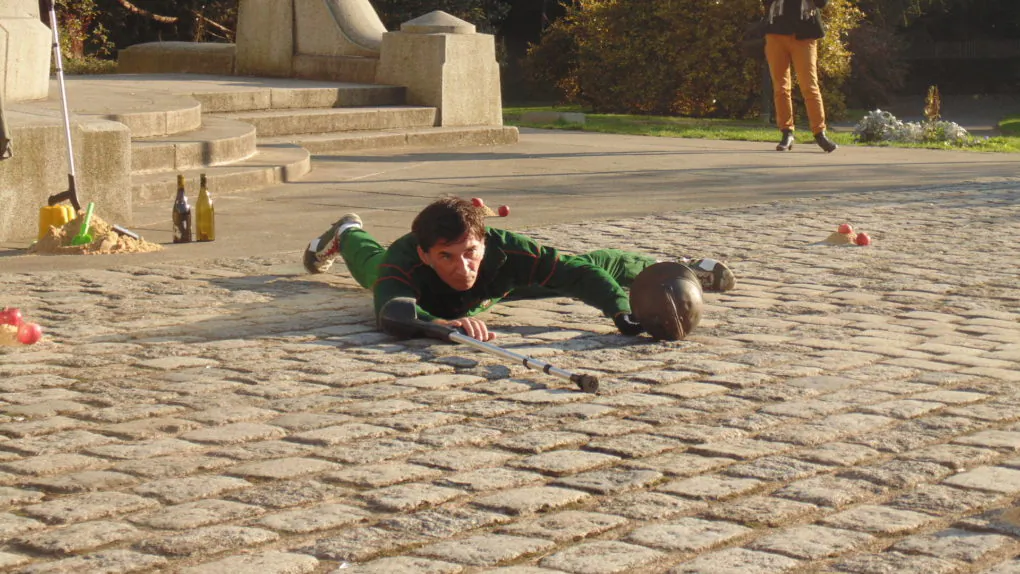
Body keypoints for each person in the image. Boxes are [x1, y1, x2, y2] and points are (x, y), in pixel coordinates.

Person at [302, 197, 736, 341]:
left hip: (501, 289)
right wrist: (444, 325)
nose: (462, 266)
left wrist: (620, 311)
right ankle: (346, 231)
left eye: (470, 252)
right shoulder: (403, 261)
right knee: (367, 261)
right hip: (428, 298)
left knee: (591, 264)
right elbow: (394, 313)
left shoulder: (508, 251)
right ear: (426, 255)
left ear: (484, 242)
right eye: (447, 257)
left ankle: (675, 267)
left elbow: (580, 274)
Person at [763, 0, 838, 153]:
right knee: (780, 87)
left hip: (804, 33)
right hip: (776, 31)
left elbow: (821, 3)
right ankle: (787, 133)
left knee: (809, 86)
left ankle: (819, 133)